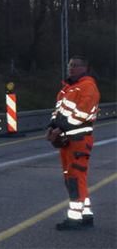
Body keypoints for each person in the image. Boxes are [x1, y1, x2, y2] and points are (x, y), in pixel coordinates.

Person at [46, 56, 99, 230]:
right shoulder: (66, 89)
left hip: (79, 139)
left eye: (75, 65)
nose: (71, 68)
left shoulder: (88, 87)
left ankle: (75, 219)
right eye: (70, 65)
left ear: (85, 68)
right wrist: (52, 126)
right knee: (72, 177)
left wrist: (60, 128)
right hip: (67, 140)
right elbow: (58, 111)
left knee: (75, 178)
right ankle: (86, 213)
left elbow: (81, 114)